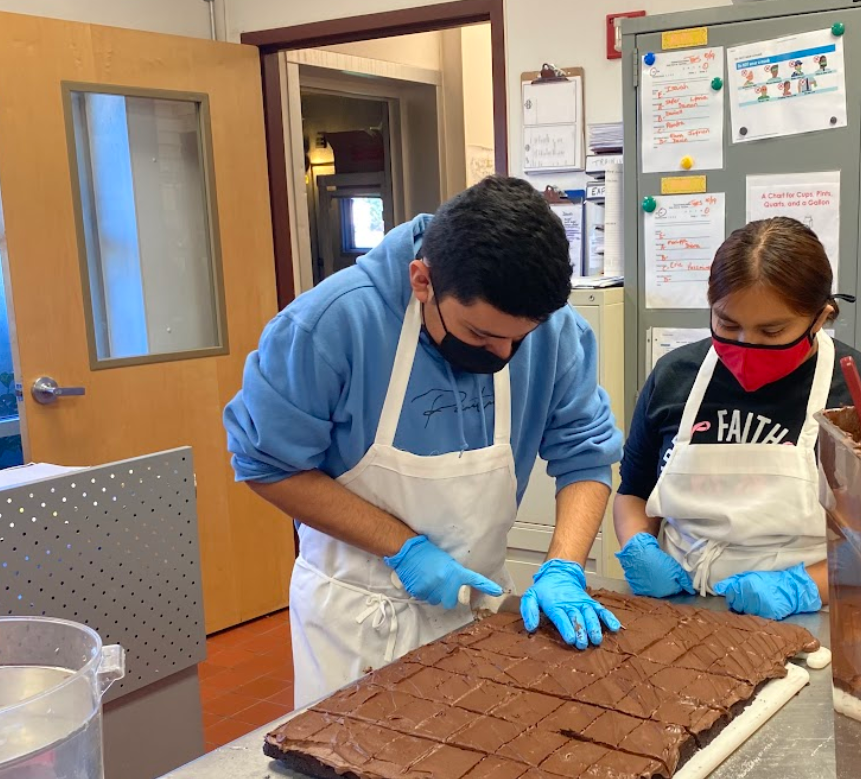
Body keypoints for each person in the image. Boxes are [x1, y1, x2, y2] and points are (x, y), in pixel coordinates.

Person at [226, 177, 624, 706]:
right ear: (422, 281)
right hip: (357, 616)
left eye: (518, 338)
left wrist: (564, 567)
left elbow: (586, 457)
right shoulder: (329, 327)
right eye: (481, 334)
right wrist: (402, 548)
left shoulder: (555, 331)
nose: (504, 353)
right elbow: (267, 465)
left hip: (476, 600)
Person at [612, 217, 861, 620]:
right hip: (678, 608)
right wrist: (638, 547)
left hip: (811, 615)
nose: (745, 346)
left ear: (820, 318)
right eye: (727, 323)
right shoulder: (674, 377)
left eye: (771, 332)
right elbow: (635, 492)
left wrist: (804, 587)